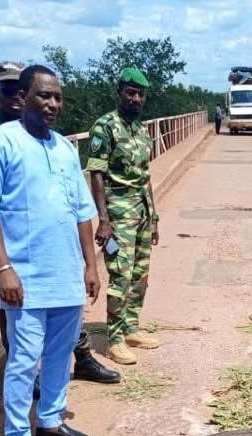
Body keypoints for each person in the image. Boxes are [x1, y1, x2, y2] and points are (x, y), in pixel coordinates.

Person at [0, 65, 100, 436]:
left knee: (60, 354)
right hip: (24, 276)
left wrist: (90, 265)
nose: (52, 104)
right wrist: (3, 267)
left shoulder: (64, 147)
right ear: (23, 96)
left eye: (57, 97)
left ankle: (50, 419)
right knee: (25, 358)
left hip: (65, 272)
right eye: (43, 95)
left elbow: (82, 211)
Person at [0, 62, 120, 386]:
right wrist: (3, 263)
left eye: (17, 90)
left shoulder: (48, 137)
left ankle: (82, 358)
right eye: (6, 90)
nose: (13, 97)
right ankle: (26, 379)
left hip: (52, 243)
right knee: (12, 308)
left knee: (67, 306)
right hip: (14, 245)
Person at [87, 67, 160, 365]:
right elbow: (96, 173)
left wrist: (154, 217)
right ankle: (114, 339)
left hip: (142, 212)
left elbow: (145, 176)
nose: (135, 98)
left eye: (140, 94)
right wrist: (103, 220)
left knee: (140, 275)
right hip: (118, 215)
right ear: (119, 92)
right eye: (130, 92)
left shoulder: (141, 130)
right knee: (120, 274)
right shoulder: (105, 127)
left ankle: (130, 327)